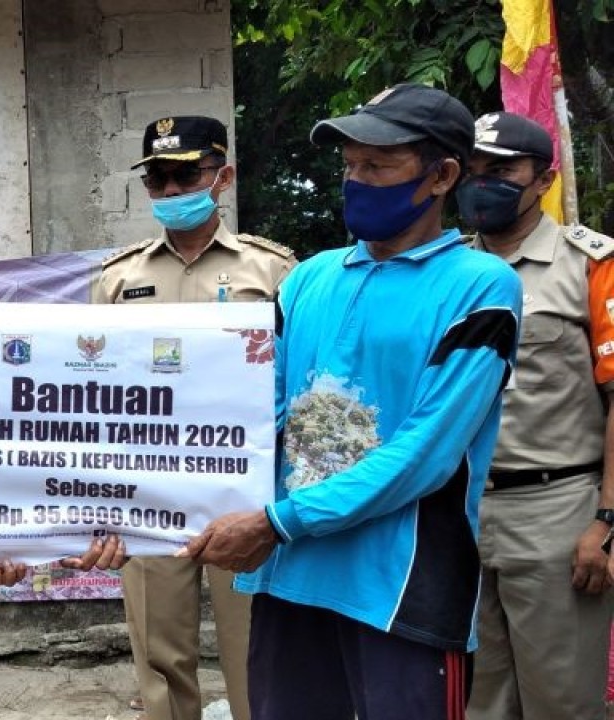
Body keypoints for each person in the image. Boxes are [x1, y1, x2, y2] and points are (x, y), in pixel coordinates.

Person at [185, 84, 522, 720]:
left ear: (442, 176)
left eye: (377, 165)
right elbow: (258, 417)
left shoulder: (480, 287)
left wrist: (277, 522)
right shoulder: (308, 278)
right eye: (349, 166)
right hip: (290, 576)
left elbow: (424, 455)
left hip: (402, 587)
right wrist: (159, 501)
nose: (356, 181)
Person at [94, 115, 296, 720]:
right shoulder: (118, 278)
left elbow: (300, 379)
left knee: (256, 650)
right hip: (148, 488)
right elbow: (93, 391)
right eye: (157, 179)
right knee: (160, 655)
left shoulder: (274, 271)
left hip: (244, 488)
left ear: (222, 177)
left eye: (186, 176)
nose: (171, 190)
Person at [458, 111, 614, 720]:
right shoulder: (447, 269)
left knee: (561, 703)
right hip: (461, 511)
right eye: (473, 169)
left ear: (544, 179)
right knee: (478, 702)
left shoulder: (593, 265)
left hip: (558, 512)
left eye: (502, 171)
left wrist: (606, 520)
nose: (483, 183)